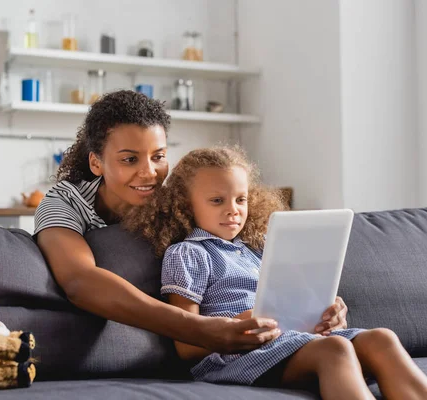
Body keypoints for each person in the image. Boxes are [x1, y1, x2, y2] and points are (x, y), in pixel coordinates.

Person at [34, 90, 346, 356]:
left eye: (158, 157)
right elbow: (79, 281)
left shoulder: (176, 203)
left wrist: (316, 307)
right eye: (130, 159)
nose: (150, 173)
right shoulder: (65, 202)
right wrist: (201, 329)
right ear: (96, 162)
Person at [123, 145, 427, 399]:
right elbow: (188, 346)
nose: (233, 210)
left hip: (294, 340)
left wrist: (327, 311)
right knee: (334, 349)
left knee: (382, 339)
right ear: (185, 207)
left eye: (240, 199)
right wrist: (244, 321)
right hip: (236, 357)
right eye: (217, 201)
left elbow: (300, 301)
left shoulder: (261, 249)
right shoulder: (188, 253)